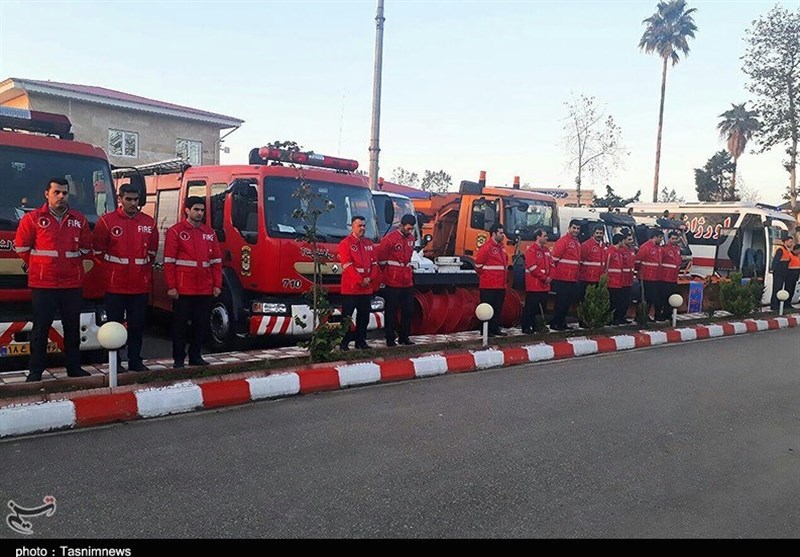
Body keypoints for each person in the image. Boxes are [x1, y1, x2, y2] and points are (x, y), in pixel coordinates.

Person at [14, 177, 92, 382]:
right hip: (44, 284)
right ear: (46, 194)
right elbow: (21, 248)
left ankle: (74, 368)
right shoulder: (33, 218)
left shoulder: (79, 219)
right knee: (40, 329)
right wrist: (41, 265)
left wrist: (69, 264)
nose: (61, 196)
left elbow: (86, 248)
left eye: (64, 193)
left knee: (72, 328)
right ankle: (35, 371)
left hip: (71, 284)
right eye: (56, 192)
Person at [93, 183, 159, 372]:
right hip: (115, 286)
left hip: (139, 285)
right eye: (128, 199)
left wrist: (141, 273)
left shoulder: (149, 223)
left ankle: (135, 360)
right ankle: (115, 362)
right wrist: (112, 272)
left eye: (135, 199)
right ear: (120, 199)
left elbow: (152, 252)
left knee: (137, 326)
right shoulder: (107, 221)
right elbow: (97, 252)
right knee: (114, 326)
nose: (132, 203)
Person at [164, 196, 222, 368]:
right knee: (180, 325)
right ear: (187, 210)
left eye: (202, 210)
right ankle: (178, 359)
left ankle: (195, 356)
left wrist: (217, 285)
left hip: (204, 287)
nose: (200, 213)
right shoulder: (176, 231)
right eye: (196, 209)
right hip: (184, 288)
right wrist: (172, 286)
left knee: (201, 324)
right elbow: (169, 262)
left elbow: (216, 262)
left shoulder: (209, 233)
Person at [339, 215, 380, 351]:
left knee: (364, 317)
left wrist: (370, 279)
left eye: (363, 225)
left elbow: (375, 264)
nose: (362, 228)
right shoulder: (345, 244)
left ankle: (360, 342)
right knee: (347, 317)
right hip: (351, 288)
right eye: (359, 226)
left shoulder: (369, 244)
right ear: (352, 227)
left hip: (366, 288)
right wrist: (360, 280)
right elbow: (347, 265)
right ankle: (344, 343)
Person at [377, 214, 416, 346]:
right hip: (393, 281)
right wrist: (388, 274)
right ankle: (390, 338)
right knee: (391, 310)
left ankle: (404, 337)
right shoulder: (389, 239)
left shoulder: (411, 239)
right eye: (408, 228)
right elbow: (381, 259)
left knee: (408, 309)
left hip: (407, 280)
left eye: (412, 229)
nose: (410, 231)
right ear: (401, 225)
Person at [474, 223, 509, 336]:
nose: (503, 235)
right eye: (500, 233)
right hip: (489, 284)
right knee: (487, 308)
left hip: (500, 284)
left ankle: (494, 328)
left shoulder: (502, 247)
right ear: (494, 233)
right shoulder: (486, 247)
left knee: (497, 308)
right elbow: (478, 265)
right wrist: (488, 276)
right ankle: (485, 330)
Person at [548, 219, 582, 331]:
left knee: (567, 302)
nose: (576, 230)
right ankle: (555, 323)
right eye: (574, 228)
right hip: (562, 277)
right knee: (561, 302)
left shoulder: (576, 242)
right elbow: (554, 259)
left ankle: (562, 322)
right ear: (569, 228)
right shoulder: (563, 241)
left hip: (572, 278)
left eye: (578, 228)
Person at [521, 228, 553, 334]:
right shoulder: (531, 251)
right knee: (531, 307)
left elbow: (552, 265)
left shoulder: (547, 250)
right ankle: (526, 326)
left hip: (544, 285)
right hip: (534, 285)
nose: (547, 238)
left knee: (541, 308)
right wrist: (545, 278)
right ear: (538, 237)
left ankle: (537, 326)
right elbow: (532, 268)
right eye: (545, 236)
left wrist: (550, 277)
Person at [635, 229, 664, 321]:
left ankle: (645, 315)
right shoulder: (645, 247)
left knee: (651, 297)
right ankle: (640, 316)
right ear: (655, 237)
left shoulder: (659, 248)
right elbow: (637, 261)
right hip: (646, 277)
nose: (661, 240)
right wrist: (640, 272)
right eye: (660, 238)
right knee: (644, 297)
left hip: (655, 277)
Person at [656, 231, 683, 321]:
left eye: (676, 239)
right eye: (672, 238)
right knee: (662, 297)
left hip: (673, 278)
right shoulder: (664, 249)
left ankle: (668, 314)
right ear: (669, 239)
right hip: (664, 278)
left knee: (672, 297)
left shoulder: (678, 249)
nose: (674, 240)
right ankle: (659, 315)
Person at [578, 224, 607, 303]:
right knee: (585, 301)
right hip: (587, 279)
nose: (599, 235)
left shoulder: (604, 246)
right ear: (593, 233)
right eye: (597, 233)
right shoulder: (586, 245)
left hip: (599, 279)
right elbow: (580, 262)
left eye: (601, 233)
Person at [606, 233, 629, 325]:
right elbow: (606, 267)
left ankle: (616, 318)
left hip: (618, 281)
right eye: (623, 241)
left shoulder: (619, 252)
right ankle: (609, 319)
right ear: (620, 241)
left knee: (617, 301)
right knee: (612, 301)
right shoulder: (610, 252)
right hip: (611, 281)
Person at [770, 235, 794, 310]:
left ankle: (782, 305)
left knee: (782, 289)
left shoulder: (787, 250)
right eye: (790, 242)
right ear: (785, 241)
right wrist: (772, 269)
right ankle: (774, 306)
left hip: (785, 272)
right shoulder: (781, 250)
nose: (791, 244)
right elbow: (776, 260)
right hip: (779, 272)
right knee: (777, 288)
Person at [786, 243, 800, 308]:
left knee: (792, 290)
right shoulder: (789, 255)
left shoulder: (797, 256)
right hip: (790, 274)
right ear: (797, 249)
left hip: (795, 275)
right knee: (789, 290)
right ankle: (786, 304)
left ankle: (789, 303)